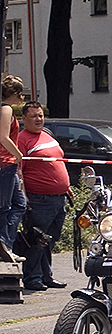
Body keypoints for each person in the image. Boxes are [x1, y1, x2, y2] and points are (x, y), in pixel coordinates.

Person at [15, 102, 71, 290]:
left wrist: (67, 187)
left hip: (58, 197)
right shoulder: (22, 139)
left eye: (40, 115)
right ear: (24, 118)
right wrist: (23, 195)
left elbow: (58, 162)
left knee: (49, 240)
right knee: (36, 241)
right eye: (34, 116)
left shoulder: (46, 135)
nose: (38, 119)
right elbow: (18, 169)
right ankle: (32, 278)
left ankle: (47, 276)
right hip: (39, 199)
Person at [0, 75, 27, 263]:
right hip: (5, 162)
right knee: (4, 206)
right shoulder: (6, 109)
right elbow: (3, 137)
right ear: (15, 93)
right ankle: (3, 244)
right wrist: (18, 154)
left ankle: (6, 243)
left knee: (19, 204)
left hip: (9, 164)